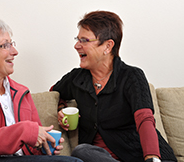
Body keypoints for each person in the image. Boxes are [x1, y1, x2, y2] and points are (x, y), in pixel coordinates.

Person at [50, 11, 177, 162]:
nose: (76, 45)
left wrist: (152, 157)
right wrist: (61, 110)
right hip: (100, 157)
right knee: (81, 151)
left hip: (139, 156)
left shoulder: (131, 76)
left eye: (84, 40)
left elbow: (145, 119)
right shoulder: (76, 78)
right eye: (78, 39)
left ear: (108, 46)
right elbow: (54, 93)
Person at [0, 19, 83, 162]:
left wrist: (44, 145)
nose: (15, 52)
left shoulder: (21, 92)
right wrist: (25, 131)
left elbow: (30, 146)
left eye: (12, 44)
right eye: (5, 46)